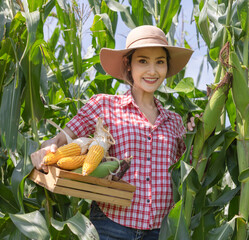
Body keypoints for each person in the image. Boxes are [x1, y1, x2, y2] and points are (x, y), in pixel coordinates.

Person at [30, 25, 195, 239]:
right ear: (128, 64)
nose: (152, 71)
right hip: (112, 225)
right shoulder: (104, 106)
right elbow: (61, 139)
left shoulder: (174, 121)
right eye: (143, 61)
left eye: (160, 62)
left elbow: (191, 168)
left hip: (161, 230)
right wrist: (45, 149)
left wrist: (197, 135)